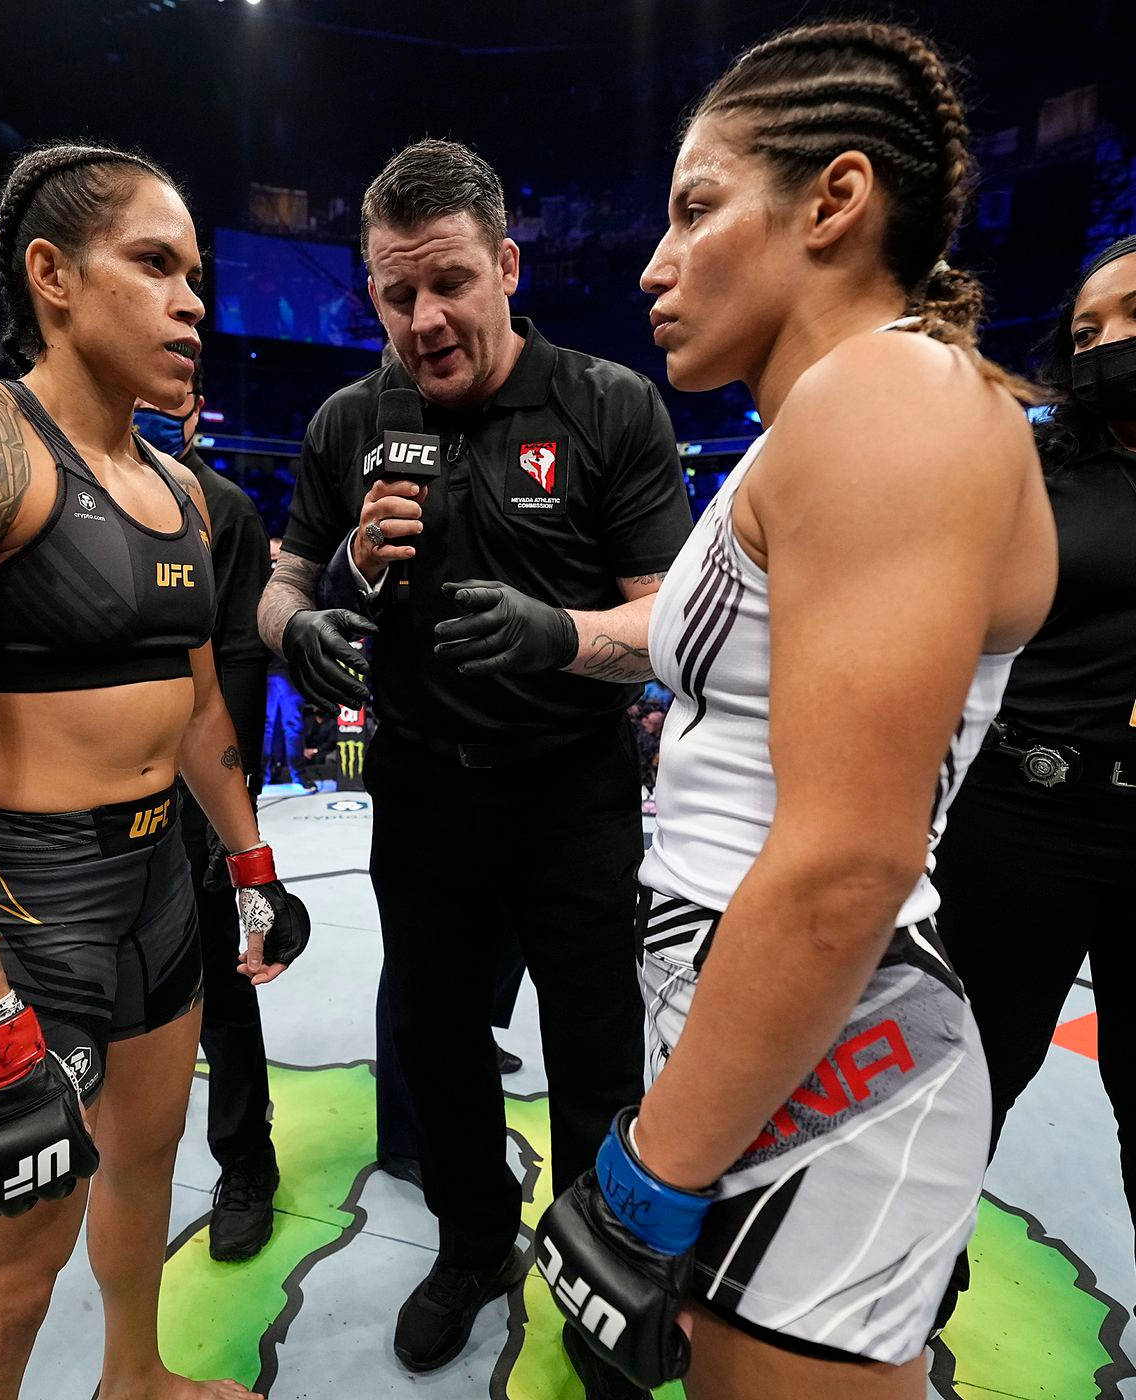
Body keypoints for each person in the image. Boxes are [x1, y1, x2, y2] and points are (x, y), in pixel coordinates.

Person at [529, 22, 1058, 1398]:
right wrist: (562, 635)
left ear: (835, 201)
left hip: (830, 1029)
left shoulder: (894, 392)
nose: (654, 263)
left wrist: (650, 1176)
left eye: (697, 208)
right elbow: (739, 663)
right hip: (764, 1010)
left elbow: (846, 862)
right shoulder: (846, 409)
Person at [0, 142, 308, 1400]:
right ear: (51, 273)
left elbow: (199, 696)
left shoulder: (179, 491)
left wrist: (250, 859)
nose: (193, 300)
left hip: (163, 880)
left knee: (148, 1167)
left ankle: (135, 1378)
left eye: (195, 272)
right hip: (31, 904)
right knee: (6, 1279)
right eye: (155, 264)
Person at [258, 137, 691, 1397]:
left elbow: (664, 620)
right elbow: (277, 590)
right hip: (425, 793)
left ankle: (608, 1277)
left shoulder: (606, 403)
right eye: (395, 293)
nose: (423, 318)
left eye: (447, 280)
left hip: (574, 793)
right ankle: (468, 1246)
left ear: (504, 264)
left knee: (599, 1052)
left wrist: (563, 636)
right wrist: (314, 625)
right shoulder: (351, 418)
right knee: (438, 1042)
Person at [931, 234, 1136, 1261]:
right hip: (1024, 812)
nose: (1107, 343)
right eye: (1088, 329)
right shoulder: (1036, 457)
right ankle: (900, 1311)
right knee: (963, 1083)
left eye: (1131, 316)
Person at [135, 375, 281, 1262]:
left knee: (223, 989)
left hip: (191, 800)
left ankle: (245, 1164)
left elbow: (233, 683)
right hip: (72, 814)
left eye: (186, 386)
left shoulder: (220, 510)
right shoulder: (42, 481)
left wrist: (240, 842)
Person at [262, 538, 311, 790]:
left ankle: (288, 776)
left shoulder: (291, 580)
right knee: (276, 725)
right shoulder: (263, 578)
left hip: (283, 666)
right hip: (272, 667)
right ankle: (275, 776)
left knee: (282, 724)